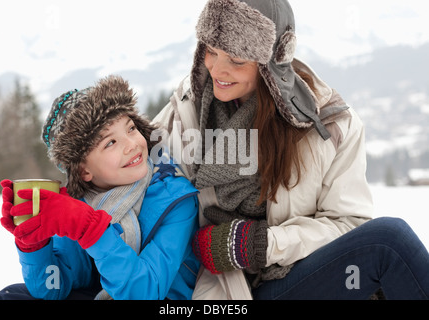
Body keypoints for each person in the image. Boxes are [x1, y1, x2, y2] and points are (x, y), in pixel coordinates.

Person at [153, 0, 429, 300]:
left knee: (389, 242)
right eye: (211, 51)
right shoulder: (185, 114)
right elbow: (123, 170)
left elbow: (348, 224)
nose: (218, 69)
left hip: (293, 276)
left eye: (236, 59)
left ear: (271, 64)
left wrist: (260, 245)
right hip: (218, 292)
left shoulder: (329, 124)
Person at [0, 75, 200, 300]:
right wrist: (34, 243)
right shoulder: (81, 204)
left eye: (131, 128)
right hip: (105, 292)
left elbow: (144, 293)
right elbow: (52, 289)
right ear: (84, 171)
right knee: (12, 296)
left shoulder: (176, 200)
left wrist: (91, 228)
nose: (132, 144)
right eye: (110, 143)